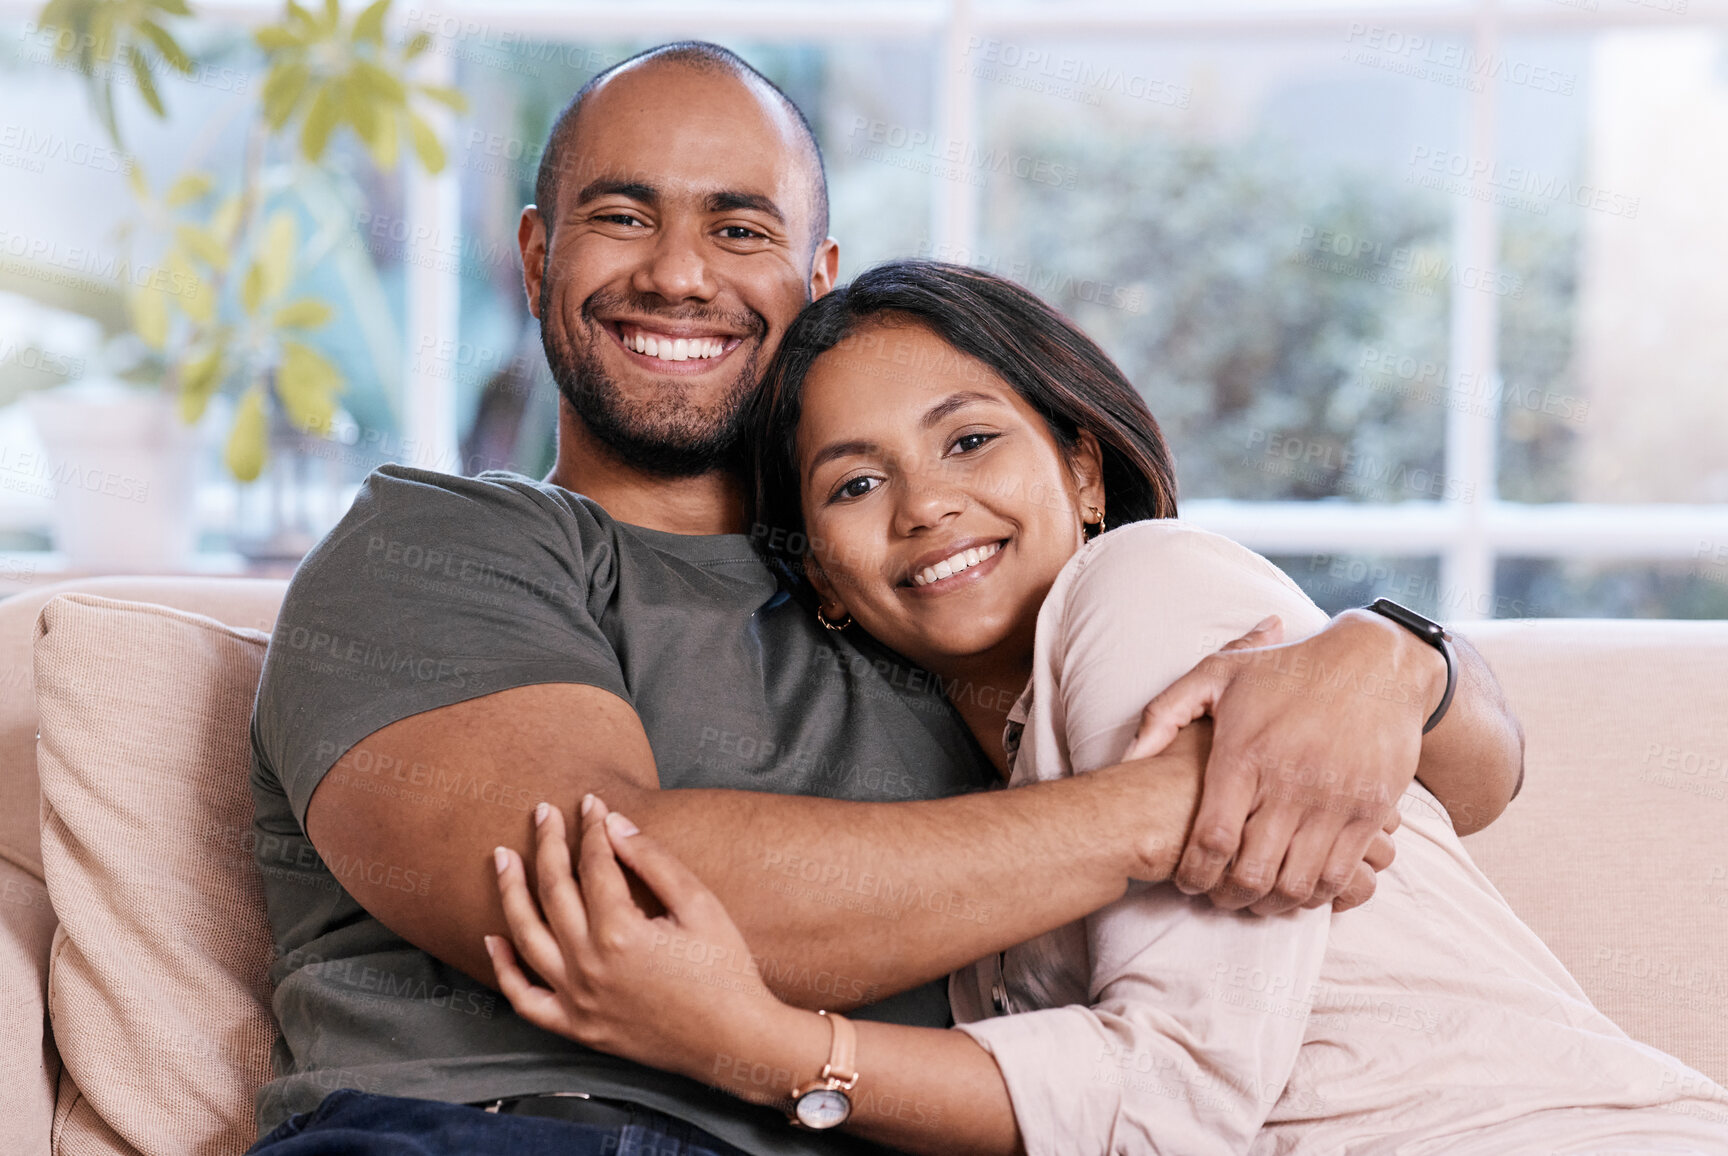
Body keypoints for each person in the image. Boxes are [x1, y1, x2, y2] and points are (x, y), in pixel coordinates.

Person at [245, 43, 1522, 1155]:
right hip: (478, 1132)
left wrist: (1395, 660)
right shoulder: (442, 543)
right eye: (623, 217)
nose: (681, 275)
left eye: (740, 228)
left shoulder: (930, 597)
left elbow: (1444, 795)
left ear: (815, 274)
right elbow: (611, 895)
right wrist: (1184, 798)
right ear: (535, 257)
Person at [484, 259, 1728, 1155]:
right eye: (858, 482)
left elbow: (1172, 1103)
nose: (925, 506)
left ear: (1083, 470)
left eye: (970, 442)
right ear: (824, 579)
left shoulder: (1146, 585)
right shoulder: (990, 820)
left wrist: (753, 1043)